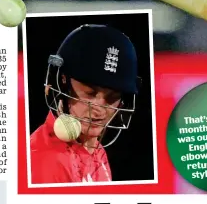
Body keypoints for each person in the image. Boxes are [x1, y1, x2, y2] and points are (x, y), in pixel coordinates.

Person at [30, 24, 139, 184]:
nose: (100, 110)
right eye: (90, 93)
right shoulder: (44, 159)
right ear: (63, 82)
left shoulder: (96, 150)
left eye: (112, 98)